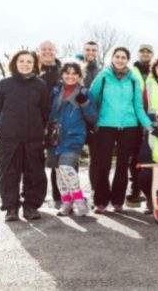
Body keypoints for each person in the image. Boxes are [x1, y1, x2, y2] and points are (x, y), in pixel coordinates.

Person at [89, 47, 152, 213]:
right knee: (104, 164)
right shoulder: (103, 77)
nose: (120, 60)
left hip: (128, 127)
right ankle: (101, 202)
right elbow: (91, 99)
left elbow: (138, 107)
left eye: (123, 57)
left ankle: (118, 201)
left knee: (122, 165)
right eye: (117, 57)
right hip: (105, 126)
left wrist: (149, 126)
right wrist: (92, 122)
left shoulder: (133, 80)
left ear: (127, 60)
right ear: (112, 58)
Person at [0, 50, 49, 221]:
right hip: (8, 137)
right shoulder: (3, 84)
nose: (25, 64)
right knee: (8, 173)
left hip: (33, 137)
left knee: (35, 173)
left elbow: (44, 111)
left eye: (29, 61)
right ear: (14, 63)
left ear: (34, 65)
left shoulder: (40, 85)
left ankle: (31, 206)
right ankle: (11, 208)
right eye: (22, 60)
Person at [46, 63, 97, 217]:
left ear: (79, 76)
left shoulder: (84, 92)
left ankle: (80, 200)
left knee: (67, 168)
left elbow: (93, 117)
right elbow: (48, 113)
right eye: (67, 73)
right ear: (62, 75)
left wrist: (85, 103)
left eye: (74, 73)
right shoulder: (55, 92)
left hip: (74, 136)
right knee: (59, 172)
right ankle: (66, 202)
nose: (70, 76)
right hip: (54, 137)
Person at [126, 44, 155, 205]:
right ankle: (135, 189)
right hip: (133, 118)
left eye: (148, 51)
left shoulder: (157, 70)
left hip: (151, 117)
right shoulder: (131, 71)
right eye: (142, 51)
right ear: (138, 54)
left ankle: (153, 190)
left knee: (151, 152)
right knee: (135, 154)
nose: (145, 54)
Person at [38, 40, 63, 208]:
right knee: (36, 161)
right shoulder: (33, 70)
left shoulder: (63, 71)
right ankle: (36, 198)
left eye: (50, 49)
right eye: (44, 49)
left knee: (56, 161)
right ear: (38, 51)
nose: (47, 52)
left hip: (57, 121)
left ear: (56, 51)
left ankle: (58, 197)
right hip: (36, 121)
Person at [81, 41, 102, 199]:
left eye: (93, 50)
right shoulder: (74, 68)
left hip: (94, 119)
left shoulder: (101, 72)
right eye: (87, 49)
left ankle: (95, 190)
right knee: (70, 158)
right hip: (76, 119)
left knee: (95, 159)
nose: (90, 52)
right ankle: (66, 195)